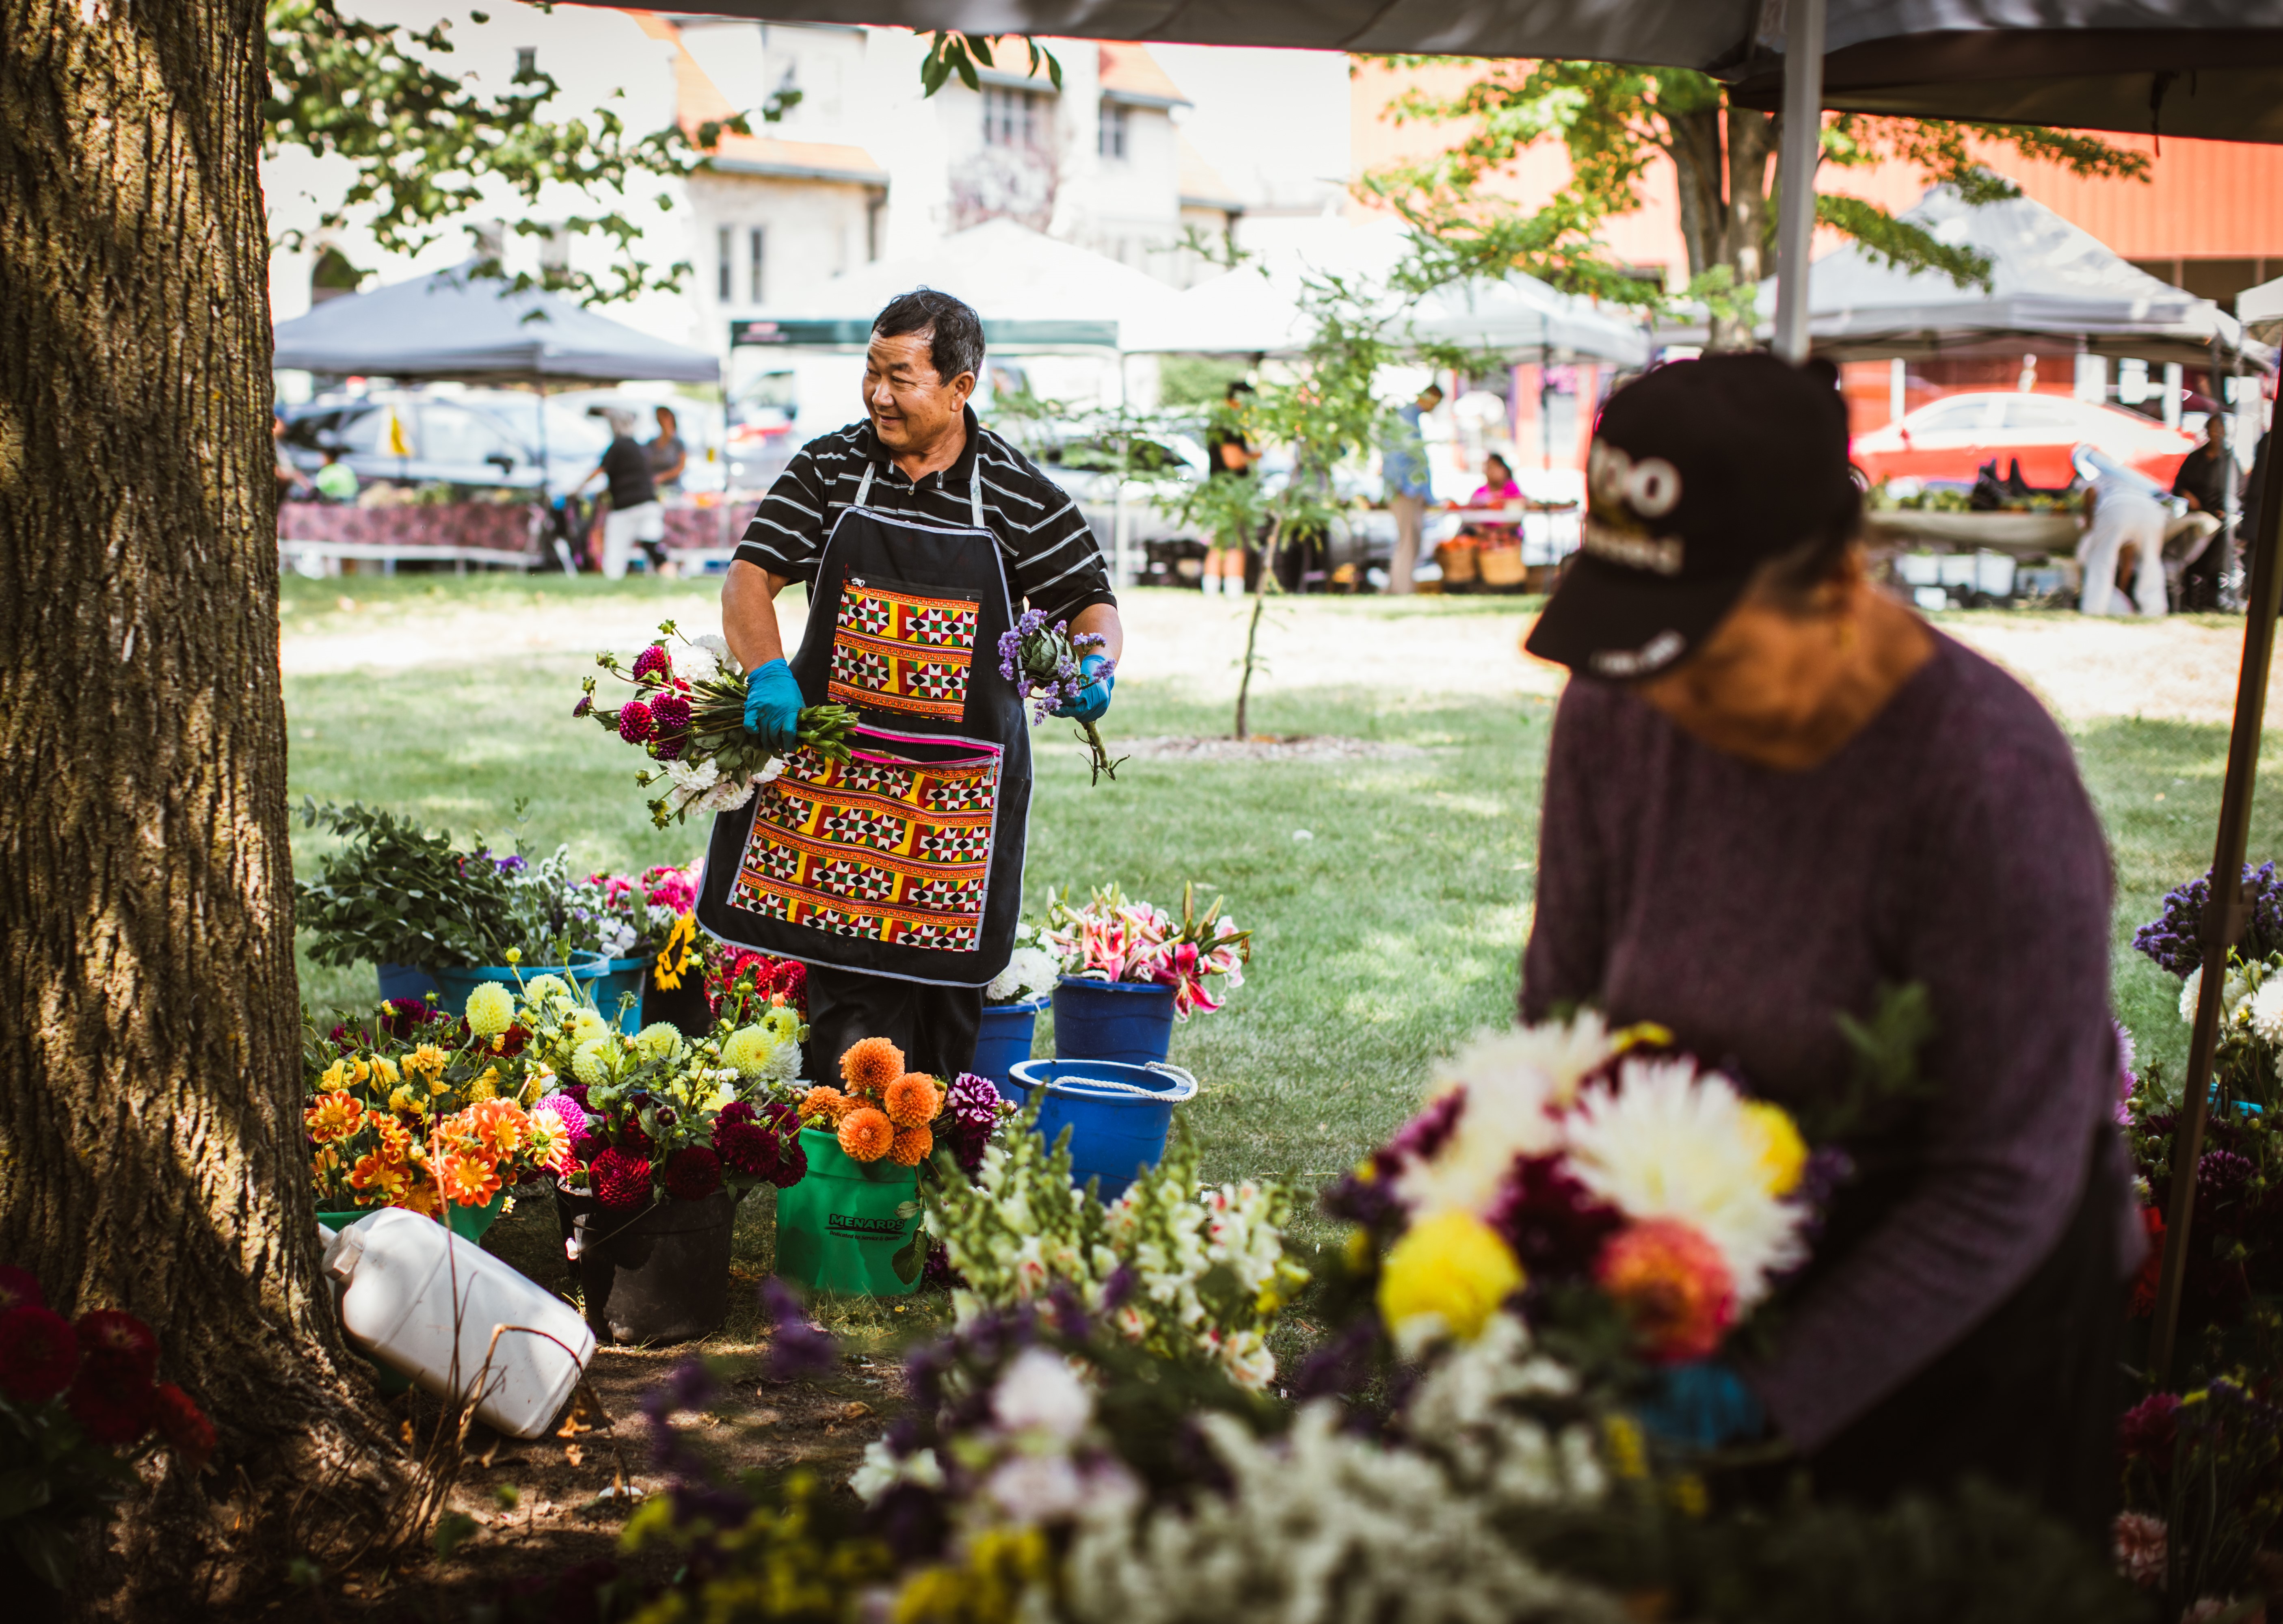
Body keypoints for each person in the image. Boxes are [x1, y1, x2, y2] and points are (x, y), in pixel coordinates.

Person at [1520, 353, 2133, 1540]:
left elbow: (2005, 1174)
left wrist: (1769, 1395)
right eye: (1648, 640)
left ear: (1834, 581)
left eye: (1713, 647)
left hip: (1964, 1327)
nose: (1673, 693)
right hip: (1709, 1264)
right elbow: (1561, 1011)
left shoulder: (1985, 783)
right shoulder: (1620, 698)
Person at [704, 288, 1125, 1079]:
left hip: (956, 802)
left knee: (944, 993)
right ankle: (850, 1162)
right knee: (848, 993)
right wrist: (767, 672)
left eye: (902, 376)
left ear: (962, 386)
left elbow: (1087, 603)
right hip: (839, 787)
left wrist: (1093, 666)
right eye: (871, 371)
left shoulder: (1016, 494)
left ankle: (931, 1163)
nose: (878, 394)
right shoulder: (831, 466)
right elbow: (749, 577)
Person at [577, 408, 662, 580]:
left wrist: (577, 487)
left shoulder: (617, 446)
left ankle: (613, 578)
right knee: (653, 547)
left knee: (616, 550)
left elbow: (600, 470)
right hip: (649, 503)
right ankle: (669, 574)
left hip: (626, 506)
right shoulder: (638, 447)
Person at [2078, 468, 2168, 616]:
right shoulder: (2143, 468)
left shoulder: (2098, 465)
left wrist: (2089, 521)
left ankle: (2094, 609)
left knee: (2101, 561)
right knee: (2151, 561)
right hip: (2152, 509)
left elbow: (2091, 492)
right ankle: (2155, 610)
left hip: (2117, 506)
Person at [2171, 414, 2237, 611]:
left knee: (2215, 562)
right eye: (2213, 429)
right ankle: (2189, 602)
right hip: (2196, 516)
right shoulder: (2195, 458)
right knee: (2190, 559)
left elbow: (2237, 491)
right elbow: (2178, 485)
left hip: (2219, 519)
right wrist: (2187, 495)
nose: (2216, 434)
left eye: (2220, 430)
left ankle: (2212, 602)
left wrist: (2225, 510)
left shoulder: (2229, 461)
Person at [1382, 382, 1442, 595]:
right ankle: (1402, 591)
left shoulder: (1410, 417)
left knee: (1411, 541)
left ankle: (1392, 590)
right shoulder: (1405, 417)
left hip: (1409, 491)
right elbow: (1398, 456)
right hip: (1405, 492)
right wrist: (1404, 488)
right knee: (1408, 542)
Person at [1202, 380, 1256, 597]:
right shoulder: (1228, 425)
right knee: (1234, 544)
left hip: (1220, 490)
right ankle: (1234, 592)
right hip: (1231, 492)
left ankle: (1213, 590)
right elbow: (1233, 460)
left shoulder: (1219, 422)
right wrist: (1256, 455)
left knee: (1220, 543)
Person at [1464, 451, 1524, 544]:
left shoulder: (1512, 490)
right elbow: (1469, 513)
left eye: (1496, 467)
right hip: (1483, 535)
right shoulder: (1480, 492)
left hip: (1507, 533)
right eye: (1489, 468)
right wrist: (1481, 530)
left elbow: (1517, 518)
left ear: (1504, 470)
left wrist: (1498, 532)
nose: (1492, 471)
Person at [648, 404, 689, 493]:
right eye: (659, 418)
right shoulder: (652, 443)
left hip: (674, 489)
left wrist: (662, 477)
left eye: (664, 417)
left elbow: (681, 467)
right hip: (655, 489)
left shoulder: (678, 443)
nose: (661, 420)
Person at [273, 412, 312, 499]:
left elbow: (291, 469)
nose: (284, 427)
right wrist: (283, 476)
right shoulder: (269, 443)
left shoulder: (282, 445)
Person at [313, 440, 359, 504]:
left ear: (328, 458)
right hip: (351, 503)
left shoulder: (325, 472)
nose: (319, 460)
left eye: (322, 457)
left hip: (334, 505)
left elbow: (319, 491)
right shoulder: (346, 469)